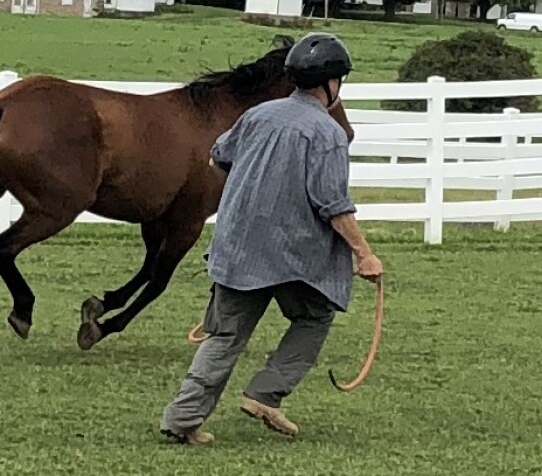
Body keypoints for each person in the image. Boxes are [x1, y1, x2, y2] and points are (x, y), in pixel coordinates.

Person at [160, 32, 383, 446]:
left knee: (225, 336)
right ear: (331, 83)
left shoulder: (258, 115)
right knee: (314, 316)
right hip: (295, 255)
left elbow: (217, 157)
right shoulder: (328, 134)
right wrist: (364, 254)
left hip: (238, 247)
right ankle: (265, 393)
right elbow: (333, 204)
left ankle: (182, 420)